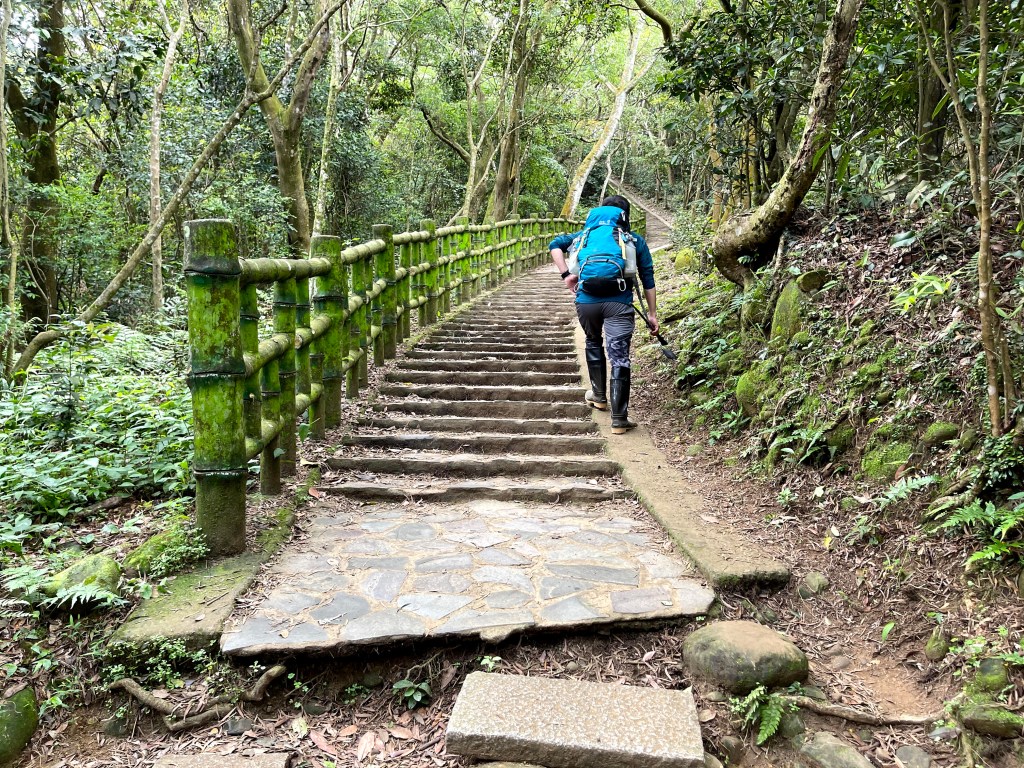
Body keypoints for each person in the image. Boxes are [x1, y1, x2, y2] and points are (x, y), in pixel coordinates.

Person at [549, 195, 657, 434]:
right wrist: (652, 314)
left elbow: (554, 245)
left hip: (587, 302)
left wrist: (566, 275)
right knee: (619, 357)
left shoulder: (584, 236)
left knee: (593, 341)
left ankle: (598, 396)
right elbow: (647, 278)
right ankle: (619, 419)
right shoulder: (632, 239)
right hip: (618, 303)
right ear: (624, 216)